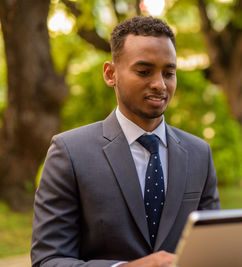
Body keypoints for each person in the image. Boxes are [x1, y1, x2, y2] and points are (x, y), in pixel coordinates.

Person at [31, 16, 220, 267]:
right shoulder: (69, 153)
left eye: (169, 73)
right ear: (111, 74)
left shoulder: (199, 153)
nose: (159, 85)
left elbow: (214, 251)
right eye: (144, 71)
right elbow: (47, 260)